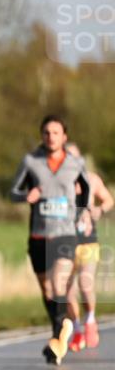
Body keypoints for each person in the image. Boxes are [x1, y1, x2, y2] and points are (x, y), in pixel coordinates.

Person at [9, 115, 92, 365]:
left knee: (59, 284)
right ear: (41, 135)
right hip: (38, 235)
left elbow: (86, 191)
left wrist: (82, 212)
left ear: (64, 136)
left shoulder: (75, 163)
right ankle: (59, 334)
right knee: (46, 290)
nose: (51, 137)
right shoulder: (31, 162)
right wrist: (26, 196)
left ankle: (60, 330)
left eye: (56, 133)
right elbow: (13, 192)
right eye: (46, 132)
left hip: (65, 234)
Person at [65, 143, 113, 351]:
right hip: (64, 242)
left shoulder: (92, 180)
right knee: (66, 290)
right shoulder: (57, 182)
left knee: (85, 284)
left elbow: (109, 200)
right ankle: (77, 329)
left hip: (87, 241)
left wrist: (99, 209)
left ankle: (91, 320)